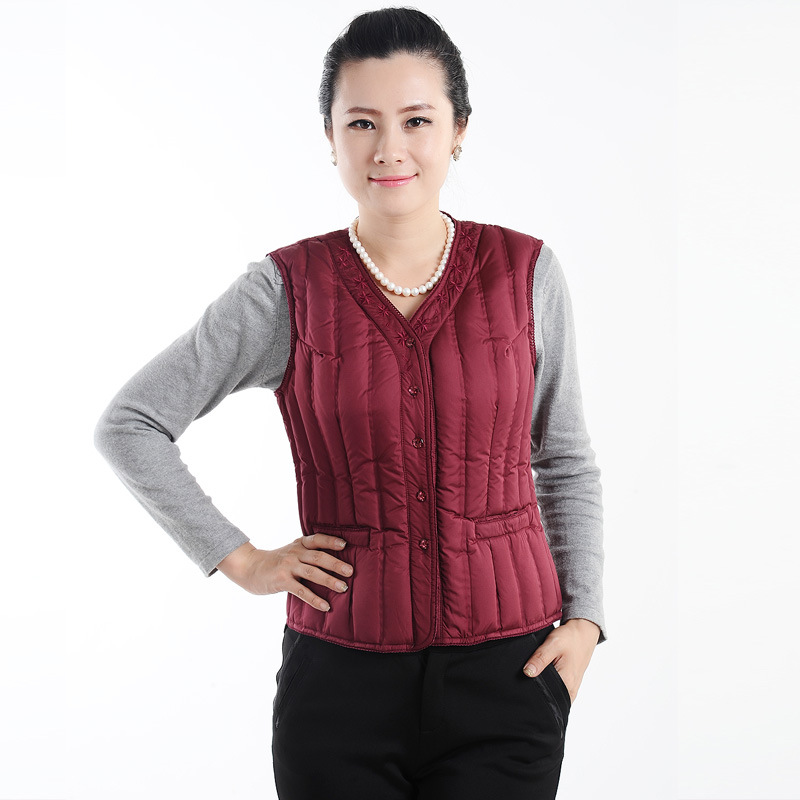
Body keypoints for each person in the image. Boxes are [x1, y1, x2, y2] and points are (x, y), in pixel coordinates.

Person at [93, 7, 607, 799]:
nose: (389, 148)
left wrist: (586, 622)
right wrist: (243, 561)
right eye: (362, 122)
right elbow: (131, 424)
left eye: (417, 120)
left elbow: (564, 460)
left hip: (510, 677)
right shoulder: (285, 290)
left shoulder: (525, 272)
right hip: (339, 690)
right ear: (330, 138)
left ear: (459, 131)